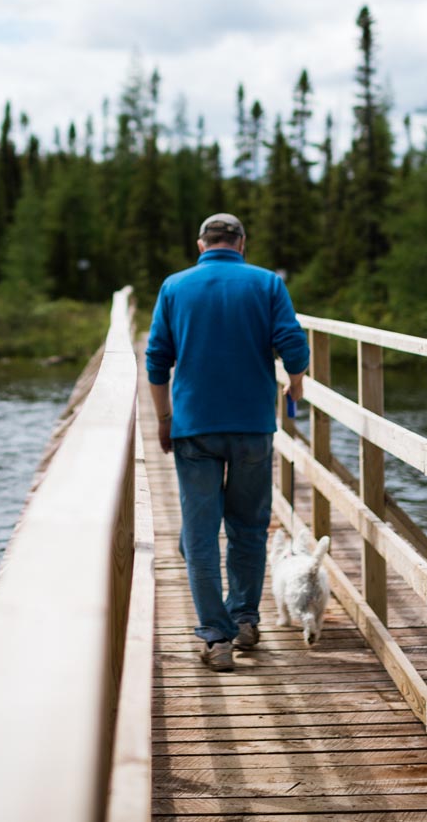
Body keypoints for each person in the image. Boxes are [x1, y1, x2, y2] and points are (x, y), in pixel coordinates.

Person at [145, 212, 309, 673]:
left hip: (194, 428)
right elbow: (292, 343)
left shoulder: (174, 287)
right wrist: (295, 383)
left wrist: (163, 418)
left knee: (199, 536)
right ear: (242, 243)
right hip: (253, 426)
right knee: (249, 527)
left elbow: (157, 359)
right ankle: (245, 619)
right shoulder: (266, 284)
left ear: (201, 245)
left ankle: (216, 637)